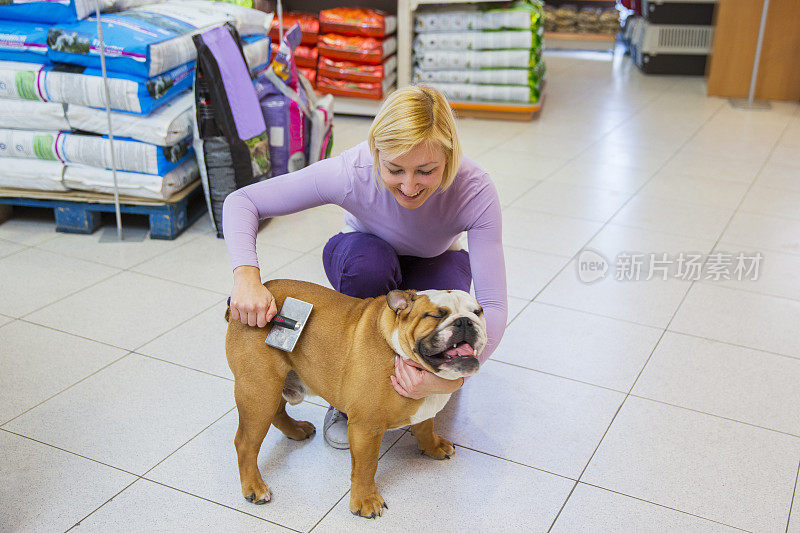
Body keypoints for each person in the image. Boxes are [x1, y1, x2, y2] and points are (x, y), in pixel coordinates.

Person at [223, 85, 507, 449]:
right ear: (376, 153)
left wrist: (454, 378)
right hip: (366, 256)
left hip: (434, 263)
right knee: (368, 264)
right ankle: (350, 398)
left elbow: (493, 305)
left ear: (449, 159)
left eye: (426, 170)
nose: (408, 185)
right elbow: (242, 201)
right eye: (394, 169)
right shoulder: (352, 170)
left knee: (450, 299)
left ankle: (435, 370)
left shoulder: (474, 189)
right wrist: (246, 276)